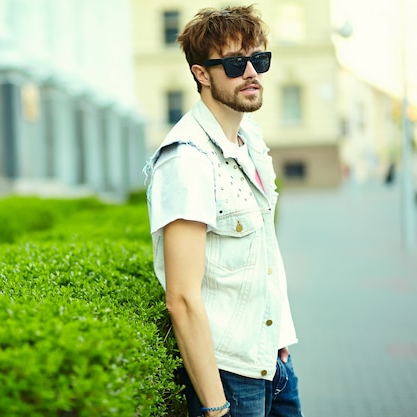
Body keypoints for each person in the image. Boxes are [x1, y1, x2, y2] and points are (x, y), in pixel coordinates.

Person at [143, 6, 303, 417]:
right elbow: (181, 297)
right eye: (235, 63)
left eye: (259, 60)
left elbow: (260, 250)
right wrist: (216, 407)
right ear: (201, 74)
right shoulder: (187, 161)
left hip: (275, 364)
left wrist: (280, 332)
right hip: (231, 378)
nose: (251, 72)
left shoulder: (248, 140)